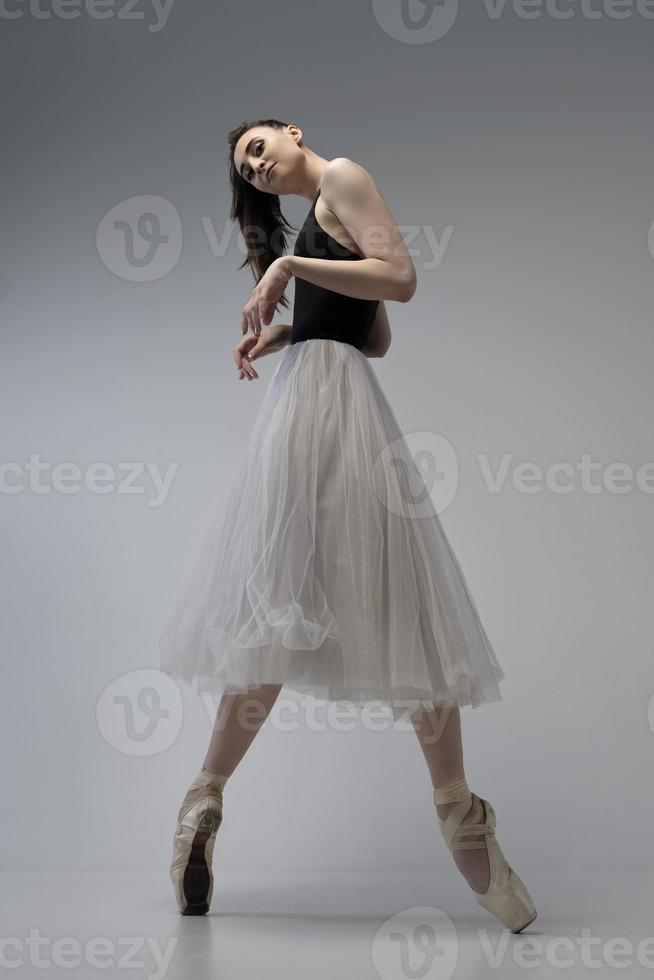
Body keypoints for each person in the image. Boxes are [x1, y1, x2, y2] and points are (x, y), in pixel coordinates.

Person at [160, 119, 536, 931]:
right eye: (245, 167)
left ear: (294, 132)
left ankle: (202, 798)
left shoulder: (344, 176)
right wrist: (298, 320)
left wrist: (292, 271)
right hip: (326, 405)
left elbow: (398, 283)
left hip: (304, 410)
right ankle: (460, 819)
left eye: (259, 147)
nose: (256, 168)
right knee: (401, 611)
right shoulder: (318, 208)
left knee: (280, 608)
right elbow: (377, 333)